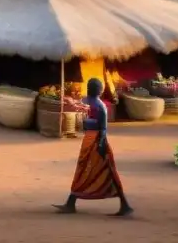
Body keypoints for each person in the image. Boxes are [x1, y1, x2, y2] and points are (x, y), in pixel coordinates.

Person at [55, 78, 133, 217]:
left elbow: (103, 128)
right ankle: (71, 202)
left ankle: (124, 204)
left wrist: (101, 143)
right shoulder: (89, 102)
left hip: (97, 140)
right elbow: (78, 108)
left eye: (93, 87)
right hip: (90, 139)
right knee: (86, 169)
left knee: (103, 170)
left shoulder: (100, 105)